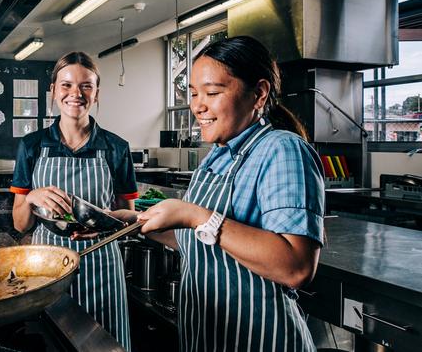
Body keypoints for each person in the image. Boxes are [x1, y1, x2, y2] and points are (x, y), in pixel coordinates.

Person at [115, 36, 324, 351]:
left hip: (260, 338)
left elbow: (296, 266)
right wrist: (127, 222)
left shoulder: (282, 149)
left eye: (212, 92)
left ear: (259, 93)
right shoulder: (216, 156)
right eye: (195, 93)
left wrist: (194, 214)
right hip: (208, 336)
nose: (198, 106)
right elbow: (199, 241)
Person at [10, 51, 138, 350]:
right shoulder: (32, 146)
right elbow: (19, 225)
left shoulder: (116, 147)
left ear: (96, 93)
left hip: (101, 263)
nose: (75, 94)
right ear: (53, 91)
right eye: (66, 85)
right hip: (46, 266)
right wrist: (30, 197)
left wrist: (106, 219)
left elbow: (128, 220)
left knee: (106, 343)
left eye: (86, 85)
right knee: (52, 341)